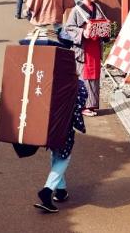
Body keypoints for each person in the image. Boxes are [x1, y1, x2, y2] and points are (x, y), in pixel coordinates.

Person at [34, 84, 87, 213]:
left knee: (56, 154)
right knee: (64, 158)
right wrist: (80, 125)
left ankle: (61, 190)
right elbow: (78, 105)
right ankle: (47, 190)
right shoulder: (77, 84)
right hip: (64, 126)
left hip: (49, 125)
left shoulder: (49, 80)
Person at [62, 0, 107, 116]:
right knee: (84, 77)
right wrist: (82, 32)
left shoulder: (97, 7)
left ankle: (91, 105)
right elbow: (69, 27)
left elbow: (103, 22)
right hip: (83, 47)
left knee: (94, 77)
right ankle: (83, 106)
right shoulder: (77, 10)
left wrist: (104, 29)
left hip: (95, 46)